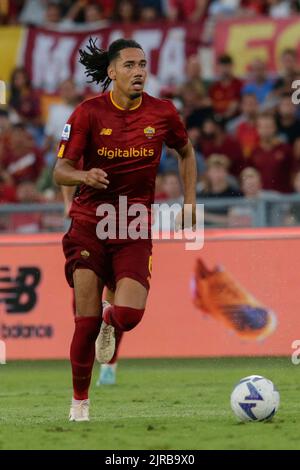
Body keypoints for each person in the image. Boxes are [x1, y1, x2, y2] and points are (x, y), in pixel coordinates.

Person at [53, 38, 197, 421]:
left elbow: (185, 150)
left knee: (130, 316)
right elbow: (60, 170)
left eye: (143, 65)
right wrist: (84, 173)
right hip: (88, 223)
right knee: (82, 322)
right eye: (130, 65)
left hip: (133, 225)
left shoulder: (163, 113)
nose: (139, 72)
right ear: (112, 72)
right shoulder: (87, 114)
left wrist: (189, 201)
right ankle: (80, 403)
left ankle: (110, 319)